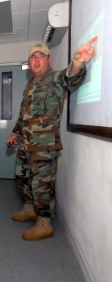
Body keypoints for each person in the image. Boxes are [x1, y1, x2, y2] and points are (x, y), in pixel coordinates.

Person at [6, 37, 97, 241]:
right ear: (29, 62)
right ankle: (29, 209)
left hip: (44, 147)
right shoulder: (30, 85)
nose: (36, 60)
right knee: (22, 179)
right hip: (26, 145)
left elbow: (70, 78)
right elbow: (24, 115)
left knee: (42, 185)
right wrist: (16, 133)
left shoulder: (55, 78)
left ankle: (44, 223)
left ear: (48, 59)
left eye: (41, 56)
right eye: (33, 57)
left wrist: (78, 63)